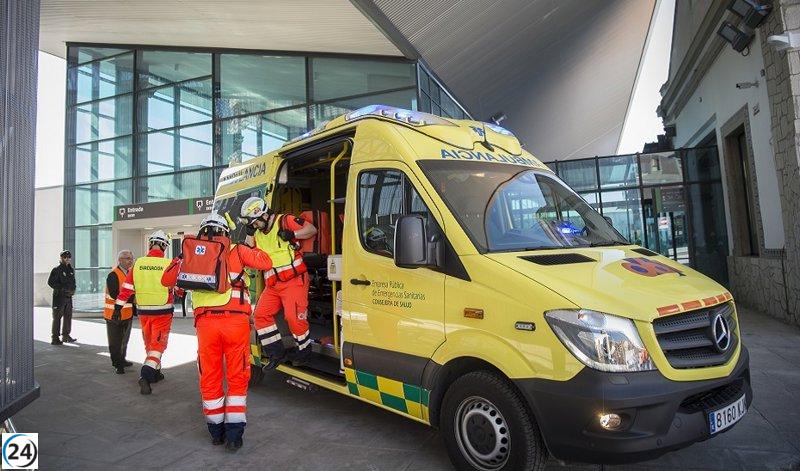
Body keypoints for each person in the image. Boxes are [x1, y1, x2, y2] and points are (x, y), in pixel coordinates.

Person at [161, 213, 273, 451]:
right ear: (226, 232)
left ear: (202, 232)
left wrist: (182, 256)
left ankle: (215, 432)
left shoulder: (190, 254)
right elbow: (266, 263)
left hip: (206, 326)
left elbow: (166, 280)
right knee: (237, 376)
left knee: (210, 376)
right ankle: (234, 434)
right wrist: (249, 243)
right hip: (236, 325)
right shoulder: (237, 251)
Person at [239, 197, 317, 368]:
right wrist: (250, 233)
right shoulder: (258, 233)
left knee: (293, 318)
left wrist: (293, 234)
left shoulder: (284, 221)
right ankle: (277, 353)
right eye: (251, 224)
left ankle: (304, 352)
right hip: (273, 285)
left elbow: (311, 230)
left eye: (254, 223)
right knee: (259, 316)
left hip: (294, 281)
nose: (254, 226)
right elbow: (248, 252)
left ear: (264, 215)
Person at [114, 230, 179, 395]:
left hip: (143, 312)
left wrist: (117, 307)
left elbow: (127, 288)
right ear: (164, 246)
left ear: (150, 244)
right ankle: (146, 375)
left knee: (150, 343)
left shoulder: (138, 263)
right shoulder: (168, 264)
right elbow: (177, 288)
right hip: (162, 311)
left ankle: (156, 372)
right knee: (158, 345)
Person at [104, 250, 136, 374]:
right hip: (113, 315)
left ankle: (122, 359)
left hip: (127, 314)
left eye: (131, 258)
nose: (130, 260)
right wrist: (133, 299)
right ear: (120, 260)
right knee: (115, 341)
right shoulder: (113, 274)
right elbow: (114, 294)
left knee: (124, 340)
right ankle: (117, 364)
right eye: (127, 258)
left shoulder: (130, 274)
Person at [47, 250, 77, 345]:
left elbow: (73, 282)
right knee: (57, 318)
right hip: (59, 298)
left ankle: (66, 336)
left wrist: (73, 289)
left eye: (68, 257)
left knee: (68, 317)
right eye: (65, 257)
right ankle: (55, 338)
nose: (67, 259)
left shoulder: (70, 270)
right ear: (61, 258)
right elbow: (50, 282)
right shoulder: (57, 269)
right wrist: (62, 288)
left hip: (68, 298)